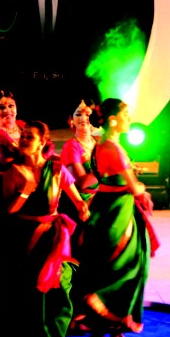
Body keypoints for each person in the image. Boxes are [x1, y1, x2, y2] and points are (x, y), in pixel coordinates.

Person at [0, 120, 89, 337]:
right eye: (22, 135)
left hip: (52, 238)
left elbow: (77, 200)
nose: (23, 139)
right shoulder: (12, 171)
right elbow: (9, 210)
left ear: (43, 142)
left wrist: (84, 210)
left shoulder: (56, 168)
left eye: (29, 136)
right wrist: (24, 191)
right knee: (22, 294)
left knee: (55, 293)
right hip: (21, 238)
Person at [71, 98, 160, 337]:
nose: (129, 119)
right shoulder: (112, 148)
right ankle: (101, 329)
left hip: (111, 210)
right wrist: (143, 190)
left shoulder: (102, 145)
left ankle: (114, 332)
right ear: (112, 120)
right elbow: (133, 186)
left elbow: (102, 178)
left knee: (118, 270)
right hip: (117, 215)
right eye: (126, 115)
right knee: (125, 272)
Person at [59, 99, 100, 251]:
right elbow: (81, 182)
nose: (83, 118)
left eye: (88, 114)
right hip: (77, 206)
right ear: (71, 120)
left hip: (99, 201)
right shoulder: (72, 146)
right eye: (78, 114)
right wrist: (107, 168)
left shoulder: (98, 143)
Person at [0, 88, 25, 170]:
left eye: (11, 106)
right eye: (1, 107)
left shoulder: (22, 125)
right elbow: (4, 159)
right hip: (12, 175)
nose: (7, 110)